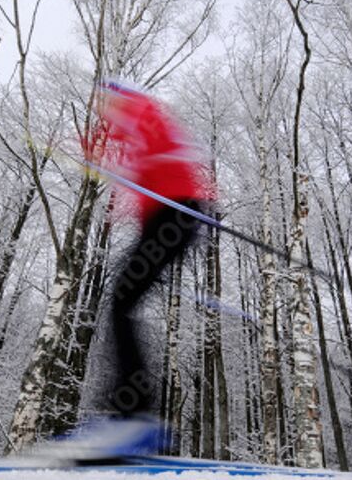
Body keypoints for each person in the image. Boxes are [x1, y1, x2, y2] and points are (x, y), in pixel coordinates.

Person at [79, 80, 214, 456]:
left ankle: (134, 415)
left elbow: (156, 143)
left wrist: (113, 126)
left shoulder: (142, 111)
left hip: (173, 216)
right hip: (162, 221)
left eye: (106, 102)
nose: (102, 110)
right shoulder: (132, 128)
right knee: (123, 302)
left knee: (122, 302)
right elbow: (104, 160)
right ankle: (132, 414)